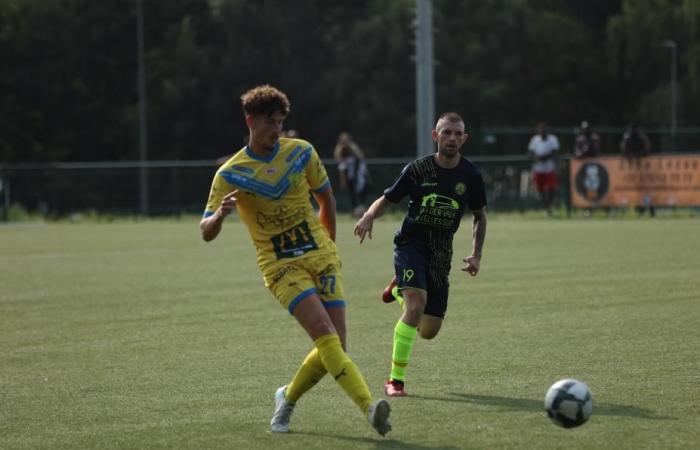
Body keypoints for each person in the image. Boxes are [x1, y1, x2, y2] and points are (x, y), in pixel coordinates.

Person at [200, 85, 391, 435]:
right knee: (324, 333)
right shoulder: (229, 173)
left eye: (280, 122)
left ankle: (286, 397)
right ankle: (369, 408)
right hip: (280, 265)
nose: (276, 129)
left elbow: (326, 200)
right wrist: (219, 217)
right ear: (250, 121)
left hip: (321, 257)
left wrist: (328, 249)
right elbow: (205, 230)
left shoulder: (302, 152)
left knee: (336, 347)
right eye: (269, 122)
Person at [353, 112, 487, 397]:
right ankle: (395, 381)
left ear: (465, 138)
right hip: (411, 245)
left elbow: (480, 217)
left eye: (457, 134)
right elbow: (388, 198)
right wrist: (368, 215)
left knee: (428, 330)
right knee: (416, 307)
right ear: (435, 135)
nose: (451, 138)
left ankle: (399, 287)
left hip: (441, 254)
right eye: (446, 132)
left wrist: (476, 254)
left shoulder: (472, 176)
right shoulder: (417, 170)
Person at [620, 123, 654, 217]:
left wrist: (637, 155)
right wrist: (631, 155)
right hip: (630, 170)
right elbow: (623, 151)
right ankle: (638, 208)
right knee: (633, 190)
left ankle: (651, 208)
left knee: (646, 190)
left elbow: (647, 151)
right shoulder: (627, 138)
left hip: (643, 169)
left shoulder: (642, 139)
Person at [333, 132, 370, 218]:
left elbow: (361, 157)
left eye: (346, 140)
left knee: (362, 193)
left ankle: (364, 213)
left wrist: (352, 148)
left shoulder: (353, 148)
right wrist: (343, 181)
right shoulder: (340, 151)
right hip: (350, 178)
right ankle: (355, 213)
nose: (344, 142)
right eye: (342, 140)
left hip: (359, 176)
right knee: (353, 196)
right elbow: (340, 164)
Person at [527, 122, 560, 215]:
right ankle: (546, 207)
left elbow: (554, 152)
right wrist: (536, 158)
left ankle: (549, 206)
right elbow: (530, 154)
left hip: (550, 168)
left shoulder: (553, 139)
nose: (543, 132)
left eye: (544, 130)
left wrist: (544, 158)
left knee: (551, 188)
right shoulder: (535, 140)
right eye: (541, 131)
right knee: (540, 189)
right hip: (538, 169)